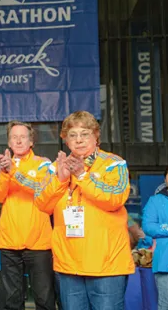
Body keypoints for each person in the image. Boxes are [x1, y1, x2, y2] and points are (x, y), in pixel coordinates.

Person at [34, 111, 134, 310]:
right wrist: (61, 180)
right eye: (72, 135)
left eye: (85, 134)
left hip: (107, 265)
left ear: (96, 136)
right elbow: (41, 204)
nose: (78, 140)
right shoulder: (55, 168)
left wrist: (82, 176)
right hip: (69, 264)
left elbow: (115, 198)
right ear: (65, 140)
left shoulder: (114, 164)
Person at [0, 121, 55, 310]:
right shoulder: (1, 167)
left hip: (39, 241)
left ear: (31, 141)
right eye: (14, 137)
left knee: (44, 298)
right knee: (11, 300)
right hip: (9, 241)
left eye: (23, 136)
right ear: (9, 142)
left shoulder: (44, 163)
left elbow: (40, 188)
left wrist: (13, 171)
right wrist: (4, 172)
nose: (18, 140)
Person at [142, 164, 168, 310]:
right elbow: (148, 227)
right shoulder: (155, 201)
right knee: (167, 305)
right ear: (165, 179)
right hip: (167, 262)